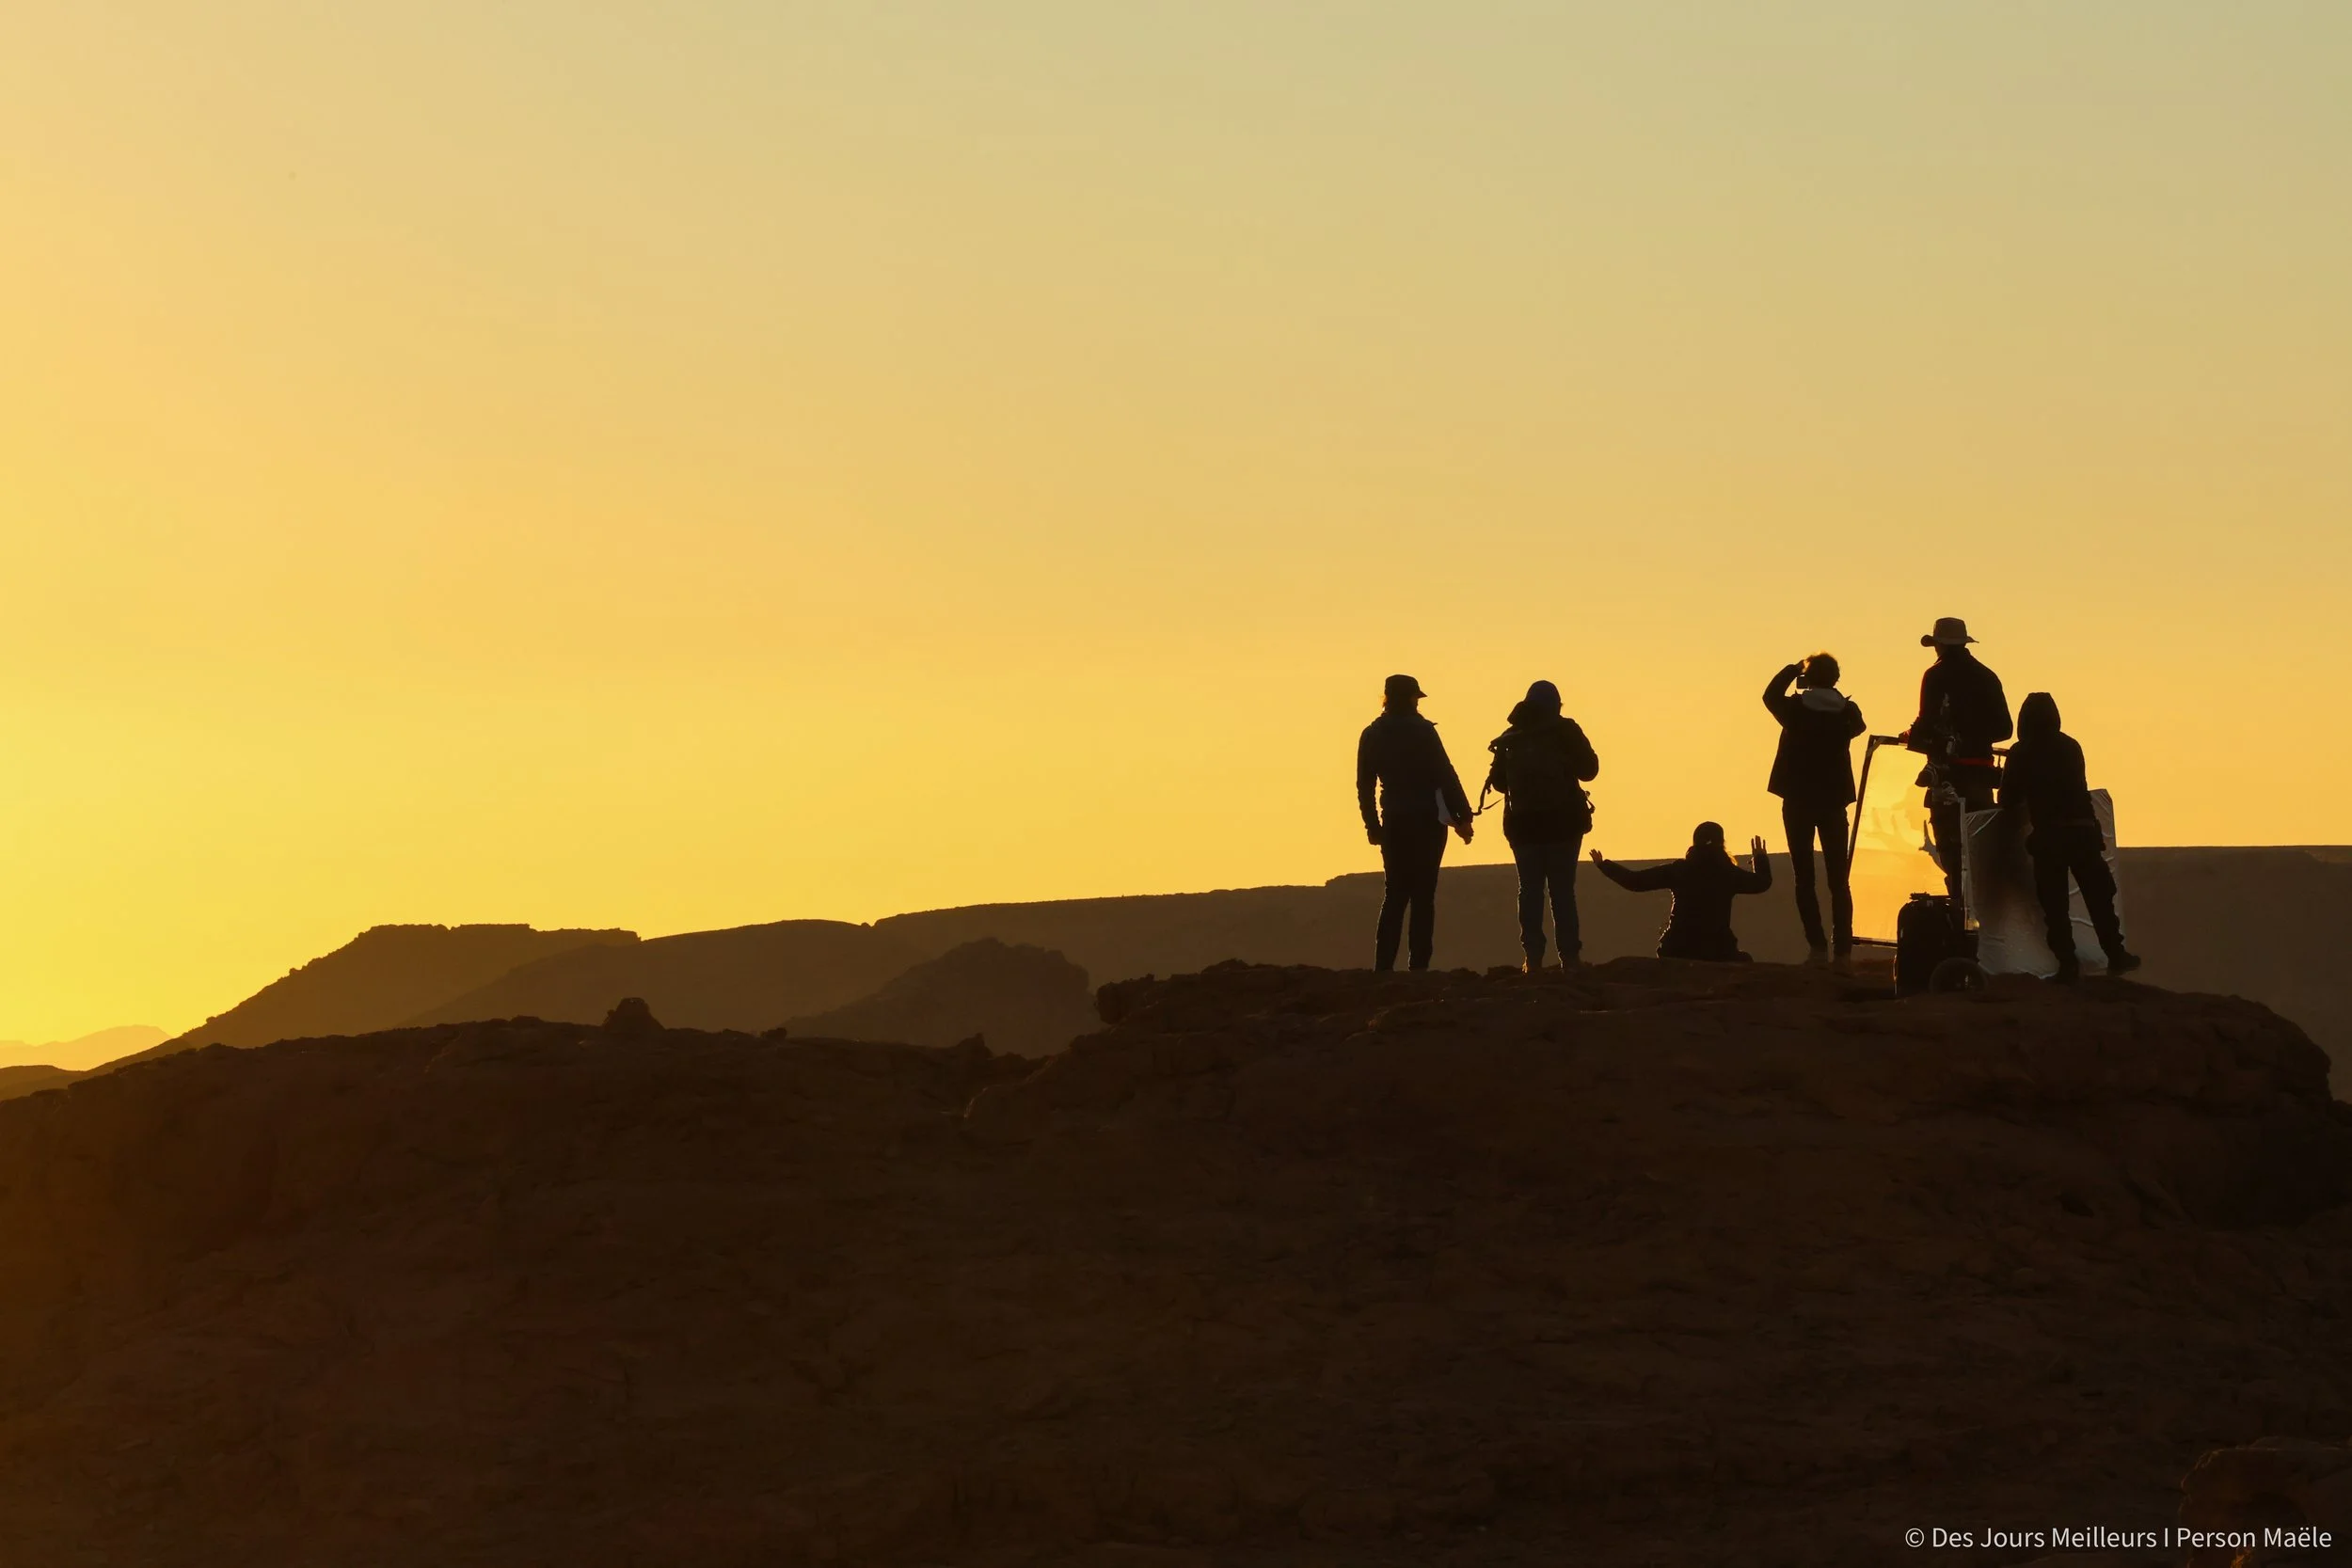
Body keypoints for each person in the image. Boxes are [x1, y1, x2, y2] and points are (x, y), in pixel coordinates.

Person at [1999, 691, 2142, 983]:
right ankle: (2115, 954)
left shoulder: (2021, 752)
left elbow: (2008, 799)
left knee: (2055, 906)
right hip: (2083, 833)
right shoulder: (2070, 746)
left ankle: (2067, 964)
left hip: (2050, 837)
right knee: (2099, 899)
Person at [1357, 673, 1474, 972]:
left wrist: (1372, 825)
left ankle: (1383, 967)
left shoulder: (1371, 734)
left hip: (1394, 820)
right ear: (1412, 699)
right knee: (1423, 895)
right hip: (1427, 820)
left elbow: (1365, 785)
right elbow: (1445, 774)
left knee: (1394, 894)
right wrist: (1463, 816)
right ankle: (1418, 966)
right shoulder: (1424, 732)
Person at [1485, 680, 1600, 971]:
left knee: (1529, 890)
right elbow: (1590, 771)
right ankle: (1570, 958)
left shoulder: (1512, 736)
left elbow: (1499, 783)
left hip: (1523, 827)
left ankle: (1533, 958)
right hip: (1564, 823)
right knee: (1563, 891)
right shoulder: (1565, 731)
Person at [1763, 653, 1867, 966]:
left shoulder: (1794, 710)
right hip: (1834, 801)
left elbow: (1769, 695)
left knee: (1804, 879)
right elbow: (1860, 727)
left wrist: (1793, 669)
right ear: (1836, 677)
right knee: (1839, 880)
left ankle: (1818, 948)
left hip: (1797, 800)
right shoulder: (1848, 713)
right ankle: (1844, 951)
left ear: (1808, 677)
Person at [1901, 617, 2011, 903]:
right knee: (1980, 851)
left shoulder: (1935, 675)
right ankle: (1983, 918)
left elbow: (1926, 724)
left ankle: (1960, 912)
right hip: (1982, 779)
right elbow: (2005, 729)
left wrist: (1912, 736)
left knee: (1951, 852)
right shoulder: (1987, 676)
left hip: (1948, 778)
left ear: (1938, 645)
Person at [1589, 824, 1772, 961]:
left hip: (1677, 948)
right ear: (1722, 844)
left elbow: (1635, 881)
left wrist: (1604, 865)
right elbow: (1762, 883)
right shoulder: (1728, 874)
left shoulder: (1679, 870)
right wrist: (1760, 858)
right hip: (1717, 949)